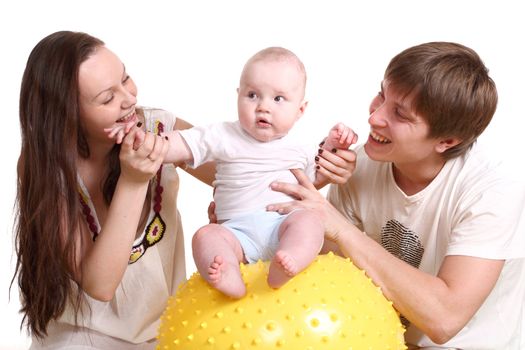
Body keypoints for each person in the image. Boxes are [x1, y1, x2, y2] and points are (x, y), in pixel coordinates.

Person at [13, 32, 355, 349]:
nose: (130, 98)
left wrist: (324, 166)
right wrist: (134, 181)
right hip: (82, 337)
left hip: (168, 327)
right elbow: (100, 285)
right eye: (107, 97)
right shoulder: (47, 166)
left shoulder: (158, 128)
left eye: (125, 78)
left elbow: (257, 172)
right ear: (69, 114)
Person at [267, 42, 525, 349]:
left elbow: (444, 320)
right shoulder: (361, 165)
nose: (375, 116)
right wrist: (250, 225)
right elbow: (327, 276)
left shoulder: (492, 188)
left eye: (399, 114)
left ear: (446, 140)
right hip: (381, 338)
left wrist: (338, 226)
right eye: (381, 95)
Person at [113, 47, 356, 298]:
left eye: (278, 99)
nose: (263, 107)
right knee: (205, 235)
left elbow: (315, 178)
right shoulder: (222, 135)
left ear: (300, 110)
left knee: (310, 221)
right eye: (252, 95)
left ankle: (290, 258)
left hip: (283, 225)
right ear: (237, 95)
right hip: (236, 233)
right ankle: (227, 271)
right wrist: (142, 140)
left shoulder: (302, 148)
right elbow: (178, 145)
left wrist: (335, 146)